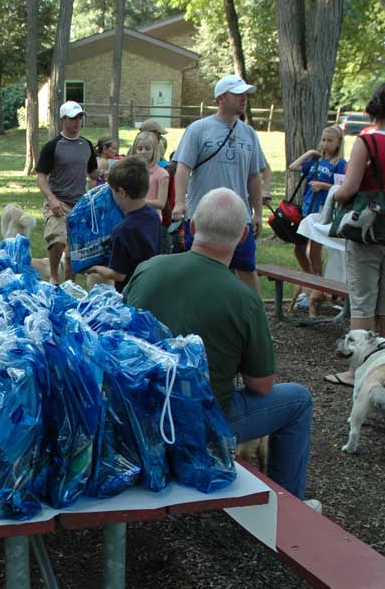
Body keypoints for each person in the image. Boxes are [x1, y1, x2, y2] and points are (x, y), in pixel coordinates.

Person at [123, 187, 316, 501]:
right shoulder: (244, 299)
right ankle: (290, 504)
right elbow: (262, 386)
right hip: (201, 425)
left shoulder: (147, 269)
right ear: (243, 237)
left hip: (136, 413)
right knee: (298, 401)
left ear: (193, 227)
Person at [172, 74, 266, 294]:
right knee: (199, 269)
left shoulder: (249, 133)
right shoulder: (198, 129)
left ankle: (254, 317)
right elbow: (183, 167)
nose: (244, 99)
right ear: (221, 98)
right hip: (202, 215)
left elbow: (254, 176)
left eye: (245, 95)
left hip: (238, 216)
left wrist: (258, 213)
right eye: (238, 94)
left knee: (246, 269)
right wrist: (179, 202)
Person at [323, 83, 385, 388]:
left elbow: (349, 188)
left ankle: (356, 371)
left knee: (362, 300)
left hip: (367, 234)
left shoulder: (367, 141)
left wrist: (336, 197)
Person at [36, 101, 99, 283]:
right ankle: (54, 278)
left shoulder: (86, 145)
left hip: (79, 205)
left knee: (74, 253)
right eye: (73, 118)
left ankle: (69, 286)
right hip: (57, 201)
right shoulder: (52, 146)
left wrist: (109, 170)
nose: (77, 121)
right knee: (58, 240)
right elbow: (41, 177)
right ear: (63, 119)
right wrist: (52, 199)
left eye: (80, 117)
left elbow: (92, 172)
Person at [86, 155, 161, 290]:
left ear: (121, 192)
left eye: (112, 191)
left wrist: (96, 268)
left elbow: (119, 275)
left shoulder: (122, 230)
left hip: (130, 292)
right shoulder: (153, 217)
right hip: (150, 285)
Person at [288, 125, 346, 280]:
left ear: (338, 142)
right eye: (323, 140)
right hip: (307, 207)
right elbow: (293, 167)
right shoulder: (317, 160)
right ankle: (309, 279)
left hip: (322, 210)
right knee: (299, 249)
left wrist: (323, 186)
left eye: (330, 141)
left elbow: (342, 188)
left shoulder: (339, 163)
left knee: (314, 250)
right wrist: (309, 153)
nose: (325, 144)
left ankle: (317, 283)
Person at [128, 131, 169, 213]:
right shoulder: (130, 170)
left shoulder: (162, 174)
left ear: (155, 150)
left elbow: (161, 203)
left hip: (151, 218)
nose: (143, 152)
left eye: (147, 148)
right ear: (135, 150)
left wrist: (140, 202)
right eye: (140, 148)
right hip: (129, 216)